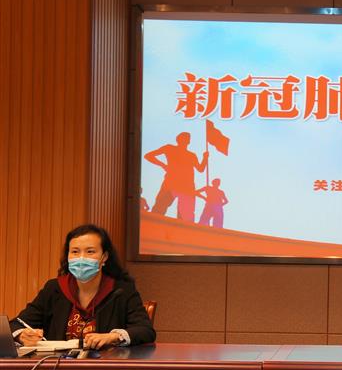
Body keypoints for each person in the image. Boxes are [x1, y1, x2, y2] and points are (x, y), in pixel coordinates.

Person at [10, 224, 156, 349]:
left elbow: (145, 330)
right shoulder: (54, 288)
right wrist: (21, 335)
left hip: (105, 367)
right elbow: (16, 324)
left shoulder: (121, 290)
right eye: (75, 252)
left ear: (104, 257)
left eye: (90, 251)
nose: (81, 258)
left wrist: (113, 336)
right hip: (57, 368)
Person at [144, 132, 208, 222]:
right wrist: (163, 165)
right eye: (184, 138)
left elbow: (200, 169)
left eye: (187, 138)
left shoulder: (191, 155)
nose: (186, 140)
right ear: (178, 140)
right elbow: (148, 156)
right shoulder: (169, 148)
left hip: (187, 186)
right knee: (159, 209)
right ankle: (153, 225)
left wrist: (205, 158)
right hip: (171, 183)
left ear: (189, 141)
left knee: (185, 216)